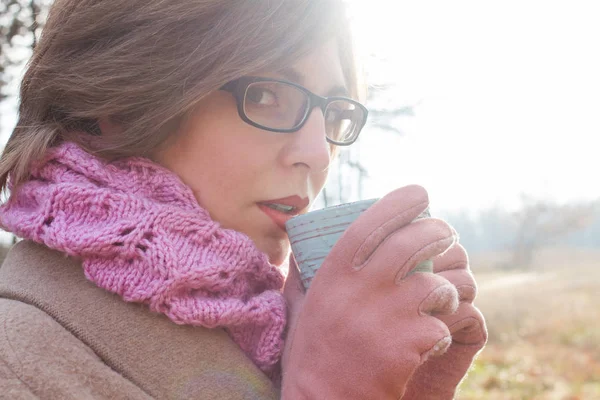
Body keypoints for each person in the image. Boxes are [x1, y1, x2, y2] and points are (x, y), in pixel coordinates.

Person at [0, 0, 487, 398]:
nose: (319, 154)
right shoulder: (20, 356)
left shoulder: (258, 320)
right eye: (268, 95)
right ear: (120, 103)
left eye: (333, 114)